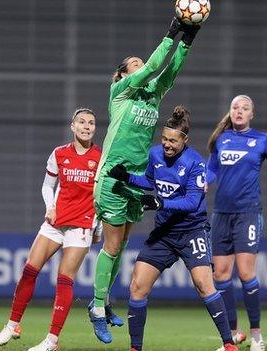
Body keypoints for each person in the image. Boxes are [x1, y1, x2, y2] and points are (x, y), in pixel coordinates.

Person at [89, 17, 201, 343]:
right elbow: (153, 66)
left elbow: (170, 71)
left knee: (121, 246)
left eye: (141, 63)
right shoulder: (120, 92)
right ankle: (96, 308)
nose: (140, 66)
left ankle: (105, 301)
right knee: (110, 247)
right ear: (123, 74)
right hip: (113, 175)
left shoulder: (152, 95)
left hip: (136, 181)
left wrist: (187, 41)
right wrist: (171, 33)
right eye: (133, 65)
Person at [106, 106, 238, 351]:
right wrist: (127, 177)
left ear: (184, 140)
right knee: (137, 286)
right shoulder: (155, 155)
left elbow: (191, 202)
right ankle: (135, 348)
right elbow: (149, 181)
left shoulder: (195, 163)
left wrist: (160, 202)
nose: (166, 144)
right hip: (164, 234)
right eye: (164, 139)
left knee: (204, 285)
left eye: (173, 141)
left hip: (192, 231)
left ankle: (229, 344)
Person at [0, 109, 102, 351]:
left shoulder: (100, 157)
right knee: (29, 270)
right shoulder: (59, 153)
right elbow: (47, 185)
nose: (86, 126)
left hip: (81, 225)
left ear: (95, 128)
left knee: (64, 279)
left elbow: (100, 197)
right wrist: (50, 207)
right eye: (81, 122)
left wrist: (98, 227)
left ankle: (52, 340)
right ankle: (12, 325)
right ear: (72, 126)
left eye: (91, 123)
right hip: (55, 222)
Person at [206, 95, 267, 351]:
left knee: (245, 273)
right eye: (235, 107)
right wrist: (201, 182)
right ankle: (232, 333)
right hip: (221, 214)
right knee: (220, 275)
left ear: (251, 114)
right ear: (230, 111)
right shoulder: (221, 139)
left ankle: (257, 335)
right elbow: (211, 170)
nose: (239, 111)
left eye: (245, 108)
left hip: (248, 214)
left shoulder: (262, 139)